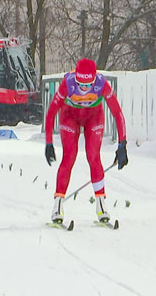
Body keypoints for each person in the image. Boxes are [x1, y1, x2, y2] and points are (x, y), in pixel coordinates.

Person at [44, 58, 128, 223]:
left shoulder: (102, 83)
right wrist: (48, 143)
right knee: (69, 156)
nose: (83, 88)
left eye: (87, 85)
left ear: (94, 79)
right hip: (70, 116)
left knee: (93, 156)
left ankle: (101, 205)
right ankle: (58, 206)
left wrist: (122, 144)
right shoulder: (68, 83)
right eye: (80, 84)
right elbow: (51, 112)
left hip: (93, 117)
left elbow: (118, 113)